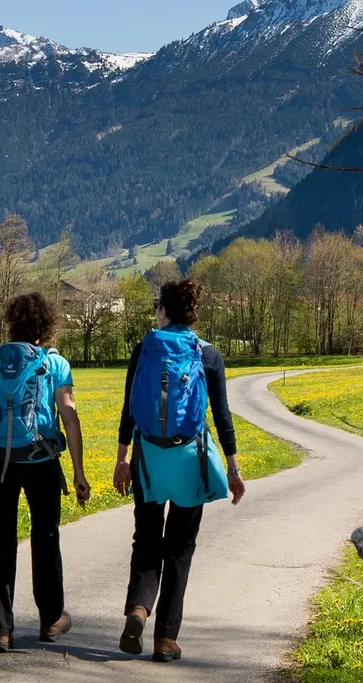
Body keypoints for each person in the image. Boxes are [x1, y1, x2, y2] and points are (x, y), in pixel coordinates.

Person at [113, 278, 246, 663]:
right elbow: (221, 416)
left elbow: (129, 409)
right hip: (190, 460)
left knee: (147, 540)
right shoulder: (208, 354)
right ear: (195, 312)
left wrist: (122, 460)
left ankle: (138, 609)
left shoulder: (145, 349)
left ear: (163, 310)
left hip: (149, 459)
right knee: (180, 548)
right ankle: (165, 639)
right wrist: (234, 469)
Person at [0, 291, 89, 653]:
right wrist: (78, 471)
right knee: (46, 539)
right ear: (46, 324)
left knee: (1, 542)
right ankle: (51, 618)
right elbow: (69, 417)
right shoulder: (55, 364)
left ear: (12, 323)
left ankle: (0, 629)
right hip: (41, 461)